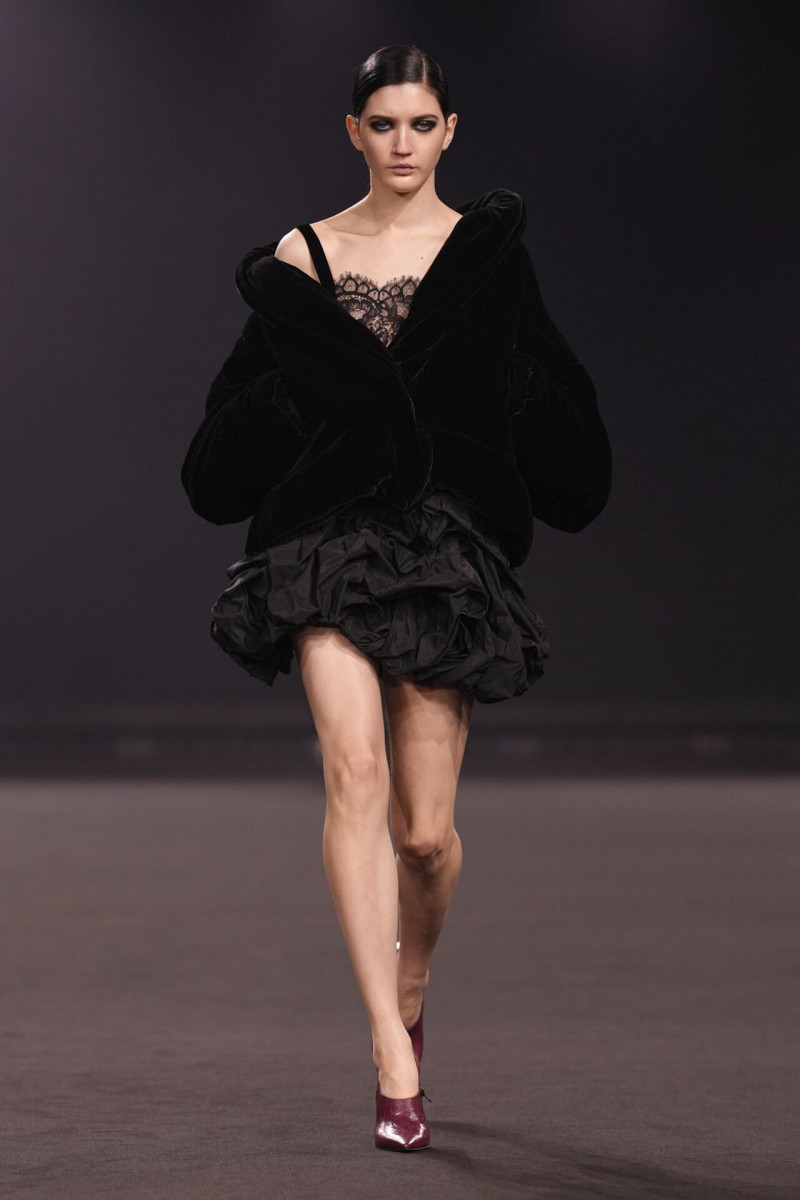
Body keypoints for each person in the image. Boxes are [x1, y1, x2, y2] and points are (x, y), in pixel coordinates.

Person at [180, 43, 612, 1151]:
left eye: (422, 125)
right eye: (383, 124)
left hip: (443, 555)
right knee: (354, 773)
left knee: (424, 836)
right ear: (353, 131)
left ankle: (411, 983)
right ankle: (388, 1047)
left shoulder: (484, 260)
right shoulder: (303, 256)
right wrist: (304, 395)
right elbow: (218, 455)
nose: (403, 145)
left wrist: (497, 393)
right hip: (324, 540)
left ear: (450, 132)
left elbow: (563, 424)